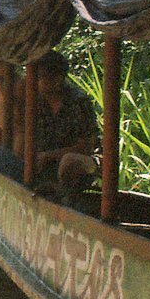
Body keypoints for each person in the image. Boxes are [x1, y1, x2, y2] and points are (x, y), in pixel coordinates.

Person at [30, 49, 100, 192]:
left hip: (75, 165)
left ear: (57, 79)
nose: (34, 82)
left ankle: (65, 197)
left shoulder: (78, 102)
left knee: (69, 161)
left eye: (39, 77)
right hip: (42, 164)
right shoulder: (35, 101)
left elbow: (86, 147)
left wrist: (48, 156)